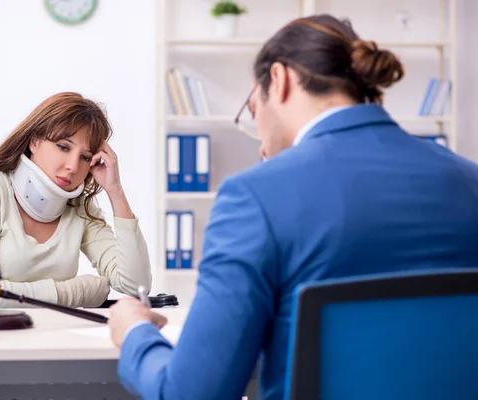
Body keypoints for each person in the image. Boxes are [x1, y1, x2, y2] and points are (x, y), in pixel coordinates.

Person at [107, 14, 478, 400]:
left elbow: (191, 394)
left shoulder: (254, 197)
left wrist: (136, 331)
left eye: (253, 112)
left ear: (280, 80)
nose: (262, 146)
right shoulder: (471, 182)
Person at [0, 92, 152, 309]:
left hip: (57, 337)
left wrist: (115, 190)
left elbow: (135, 285)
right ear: (34, 141)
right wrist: (77, 292)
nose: (73, 167)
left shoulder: (79, 207)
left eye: (85, 157)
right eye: (63, 147)